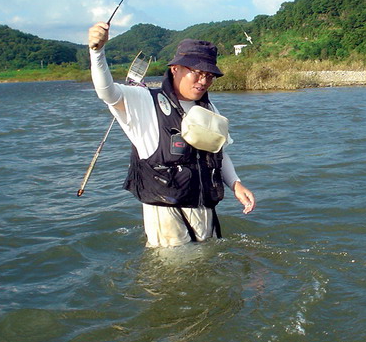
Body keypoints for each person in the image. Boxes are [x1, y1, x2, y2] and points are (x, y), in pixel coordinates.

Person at [88, 22, 256, 248]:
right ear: (175, 69)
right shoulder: (143, 100)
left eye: (209, 75)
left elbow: (218, 152)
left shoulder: (208, 109)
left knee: (205, 269)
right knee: (172, 272)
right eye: (196, 73)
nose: (203, 81)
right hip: (165, 214)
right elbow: (107, 92)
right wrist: (97, 52)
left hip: (204, 208)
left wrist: (236, 184)